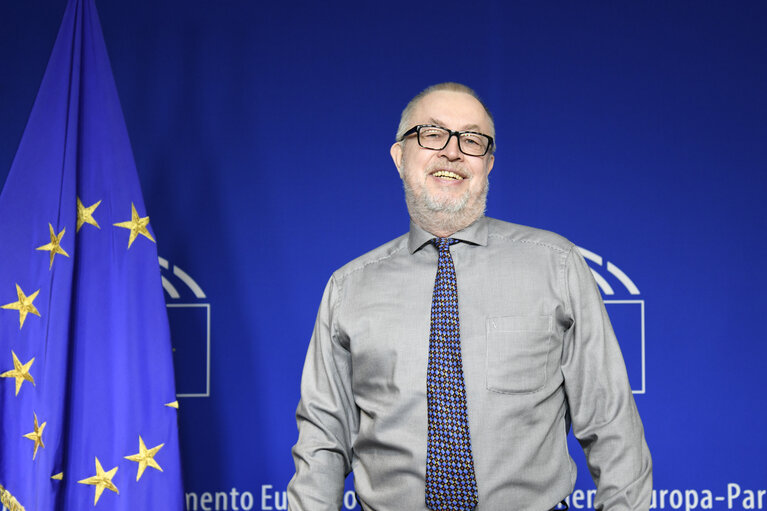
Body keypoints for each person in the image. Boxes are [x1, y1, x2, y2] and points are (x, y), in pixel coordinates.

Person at [287, 82, 652, 511]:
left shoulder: (558, 265)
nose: (452, 152)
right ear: (399, 157)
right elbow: (322, 443)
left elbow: (612, 427)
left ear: (489, 163)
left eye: (472, 140)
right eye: (432, 133)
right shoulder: (348, 288)